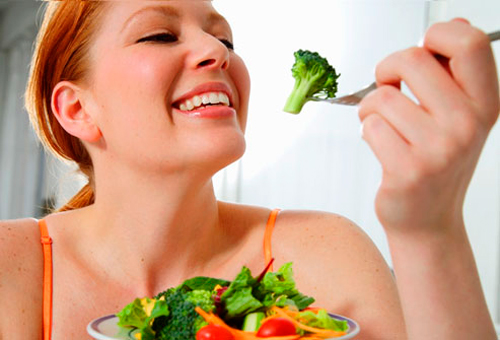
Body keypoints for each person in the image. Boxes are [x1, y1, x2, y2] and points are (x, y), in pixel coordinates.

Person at [0, 1, 497, 339]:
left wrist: (430, 229)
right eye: (159, 34)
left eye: (226, 40)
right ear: (77, 110)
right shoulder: (12, 265)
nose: (218, 53)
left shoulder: (327, 251)